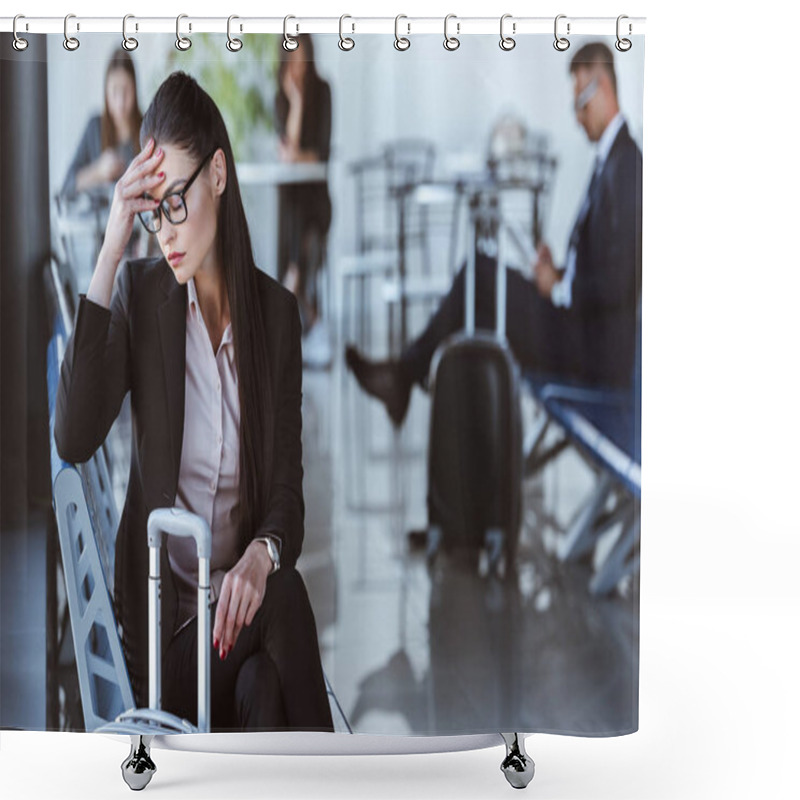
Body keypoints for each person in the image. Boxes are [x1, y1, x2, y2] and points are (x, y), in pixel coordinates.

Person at [55, 71, 334, 733]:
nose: (166, 231)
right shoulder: (145, 298)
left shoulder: (276, 317)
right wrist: (115, 236)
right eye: (154, 212)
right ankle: (341, 779)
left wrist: (259, 556)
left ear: (217, 174)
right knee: (285, 595)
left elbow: (287, 497)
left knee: (265, 685)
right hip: (165, 640)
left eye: (173, 200)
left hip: (238, 625)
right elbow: (72, 435)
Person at [345, 42, 642, 427]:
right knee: (480, 294)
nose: (577, 118)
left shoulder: (626, 164)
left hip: (591, 351)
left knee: (481, 280)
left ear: (602, 87)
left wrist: (559, 288)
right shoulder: (613, 160)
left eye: (579, 104)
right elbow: (605, 259)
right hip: (581, 331)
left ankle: (410, 382)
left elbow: (622, 281)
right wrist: (560, 272)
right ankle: (429, 398)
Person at [275, 34, 333, 365]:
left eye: (302, 60)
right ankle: (311, 316)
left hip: (318, 206)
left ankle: (290, 283)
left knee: (302, 217)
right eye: (292, 62)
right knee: (292, 202)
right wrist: (295, 103)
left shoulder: (324, 92)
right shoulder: (280, 98)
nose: (297, 69)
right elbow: (289, 157)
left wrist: (298, 156)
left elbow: (320, 155)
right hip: (291, 205)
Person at [60, 50, 143, 199]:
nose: (120, 102)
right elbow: (67, 186)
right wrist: (98, 171)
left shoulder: (146, 127)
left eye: (126, 91)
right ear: (106, 92)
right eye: (114, 91)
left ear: (135, 90)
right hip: (98, 221)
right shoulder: (94, 127)